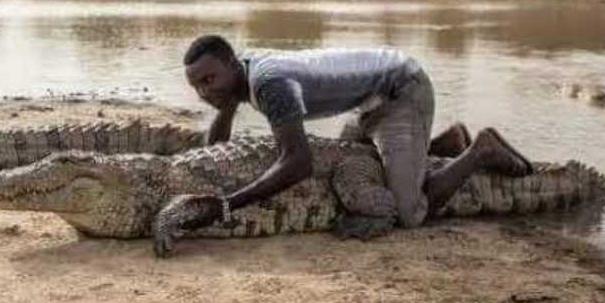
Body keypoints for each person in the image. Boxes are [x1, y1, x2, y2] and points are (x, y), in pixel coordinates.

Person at [157, 35, 533, 255]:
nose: (205, 91)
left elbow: (297, 163)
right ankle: (446, 142)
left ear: (232, 65)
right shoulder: (242, 71)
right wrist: (224, 105)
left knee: (407, 211)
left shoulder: (270, 84)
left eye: (210, 80)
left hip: (400, 89)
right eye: (197, 87)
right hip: (365, 100)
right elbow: (214, 148)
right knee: (360, 166)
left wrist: (224, 206)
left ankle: (480, 150)